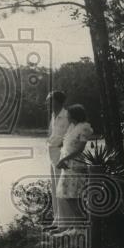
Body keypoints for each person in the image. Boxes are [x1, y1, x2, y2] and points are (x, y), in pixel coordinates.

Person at [51, 104, 94, 237]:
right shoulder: (72, 127)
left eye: (69, 114)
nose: (67, 116)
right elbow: (67, 145)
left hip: (76, 165)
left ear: (74, 115)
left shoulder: (84, 128)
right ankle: (80, 226)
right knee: (70, 196)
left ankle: (82, 227)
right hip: (68, 164)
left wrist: (64, 160)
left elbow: (79, 150)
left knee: (72, 196)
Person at [46, 90, 69, 198]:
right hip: (52, 155)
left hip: (63, 156)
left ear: (58, 102)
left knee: (62, 187)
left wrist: (63, 143)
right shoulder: (53, 116)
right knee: (55, 187)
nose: (47, 103)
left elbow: (75, 134)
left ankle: (64, 214)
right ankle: (57, 214)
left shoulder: (67, 116)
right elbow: (52, 134)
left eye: (50, 100)